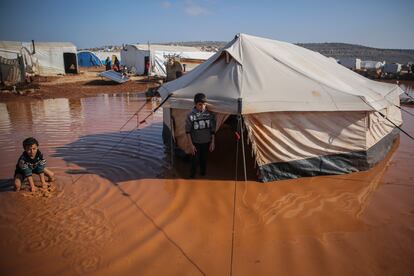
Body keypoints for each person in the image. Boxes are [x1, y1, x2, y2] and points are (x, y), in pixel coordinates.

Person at [185, 93, 216, 178]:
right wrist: (191, 145)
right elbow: (187, 131)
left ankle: (202, 175)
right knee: (194, 161)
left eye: (204, 104)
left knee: (204, 160)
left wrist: (212, 142)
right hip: (195, 143)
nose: (202, 106)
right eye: (200, 104)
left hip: (206, 142)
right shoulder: (190, 115)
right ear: (195, 104)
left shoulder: (210, 115)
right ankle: (192, 177)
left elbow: (212, 130)